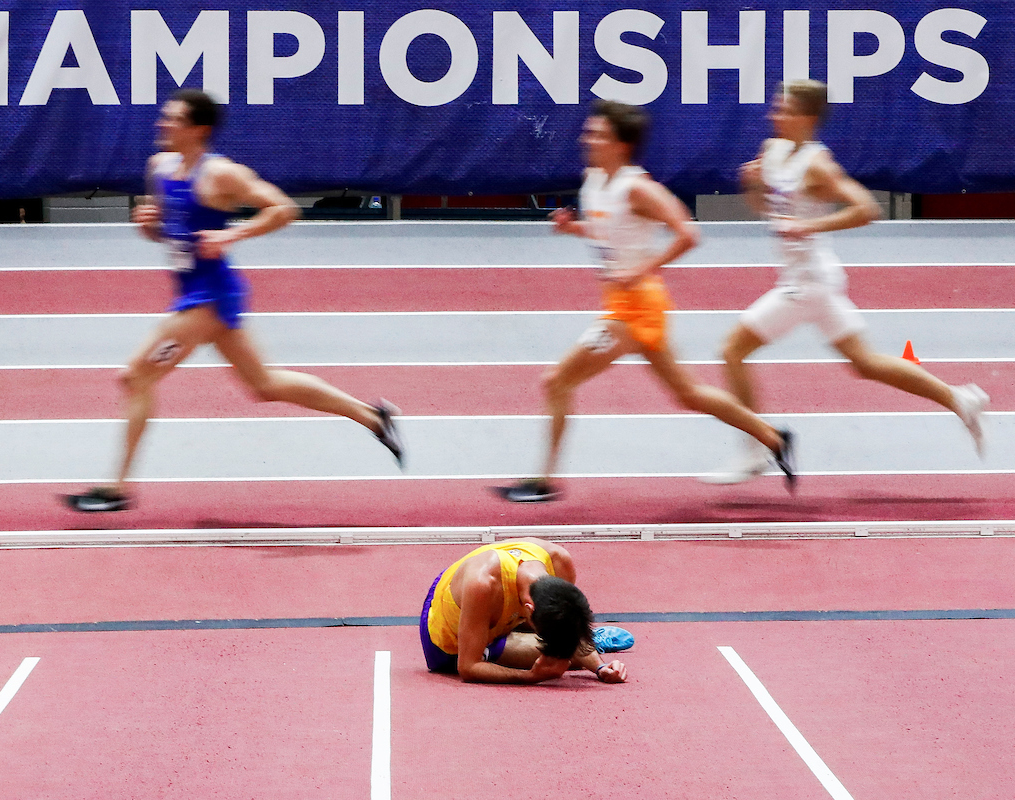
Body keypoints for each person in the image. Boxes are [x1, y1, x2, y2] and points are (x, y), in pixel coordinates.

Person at [64, 89, 402, 512]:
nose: (161, 124)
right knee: (265, 385)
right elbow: (168, 232)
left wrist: (231, 234)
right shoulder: (159, 168)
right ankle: (373, 417)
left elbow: (282, 208)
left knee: (135, 377)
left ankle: (116, 490)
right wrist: (149, 225)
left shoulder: (220, 174)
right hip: (194, 295)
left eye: (172, 120)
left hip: (208, 300)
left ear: (198, 130)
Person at [495, 100, 796, 503]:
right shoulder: (595, 180)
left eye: (598, 133)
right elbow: (611, 233)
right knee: (687, 393)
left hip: (634, 310)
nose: (587, 137)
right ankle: (773, 437)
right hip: (627, 305)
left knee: (557, 380)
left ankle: (543, 481)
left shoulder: (638, 188)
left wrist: (643, 269)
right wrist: (575, 230)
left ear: (621, 144)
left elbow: (689, 234)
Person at [703, 80, 989, 484]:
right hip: (809, 277)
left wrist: (809, 225)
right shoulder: (773, 151)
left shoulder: (819, 165)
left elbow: (866, 209)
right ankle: (960, 397)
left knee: (731, 351)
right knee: (866, 364)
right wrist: (752, 184)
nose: (773, 115)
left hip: (807, 284)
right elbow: (765, 208)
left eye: (782, 109)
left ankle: (755, 450)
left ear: (806, 118)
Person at [420, 539, 633, 684]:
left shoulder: (559, 561)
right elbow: (468, 667)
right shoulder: (483, 584)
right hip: (447, 640)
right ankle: (587, 642)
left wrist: (599, 668)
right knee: (566, 661)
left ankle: (585, 642)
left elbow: (565, 610)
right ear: (528, 611)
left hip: (506, 616)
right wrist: (531, 676)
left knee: (562, 656)